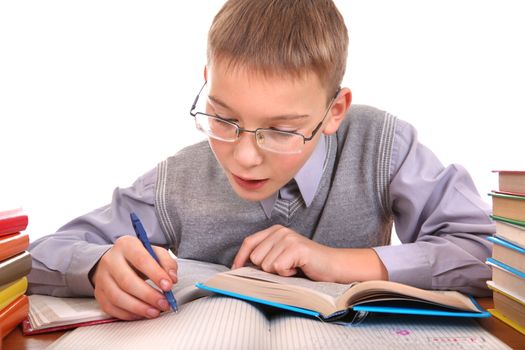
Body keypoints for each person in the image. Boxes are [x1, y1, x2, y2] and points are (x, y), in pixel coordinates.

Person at [28, 0, 494, 321]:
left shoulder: (382, 146)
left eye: (282, 130)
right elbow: (37, 256)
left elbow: (488, 254)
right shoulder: (177, 182)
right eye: (222, 118)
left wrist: (339, 262)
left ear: (334, 111)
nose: (246, 156)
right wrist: (97, 267)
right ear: (207, 82)